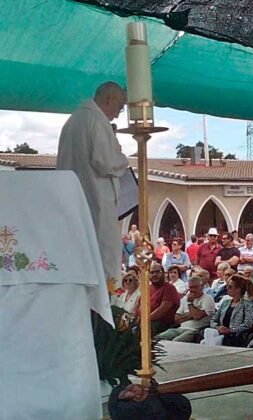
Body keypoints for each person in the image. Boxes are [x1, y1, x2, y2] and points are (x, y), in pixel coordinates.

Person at [56, 81, 129, 286]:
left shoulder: (74, 120)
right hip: (96, 198)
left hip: (75, 198)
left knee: (82, 253)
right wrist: (123, 159)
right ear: (109, 99)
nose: (117, 114)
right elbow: (104, 161)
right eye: (120, 107)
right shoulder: (96, 120)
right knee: (103, 254)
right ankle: (106, 306)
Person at [156, 275, 216, 342]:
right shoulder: (185, 299)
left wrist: (190, 303)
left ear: (201, 286)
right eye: (190, 287)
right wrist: (191, 314)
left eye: (195, 287)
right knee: (157, 338)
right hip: (180, 328)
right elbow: (176, 319)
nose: (192, 290)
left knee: (175, 342)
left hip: (195, 330)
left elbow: (197, 316)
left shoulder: (208, 299)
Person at [203, 275, 253, 347]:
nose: (227, 289)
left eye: (230, 287)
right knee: (208, 331)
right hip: (220, 332)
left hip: (233, 336)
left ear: (238, 289)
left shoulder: (246, 304)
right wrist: (218, 327)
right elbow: (213, 319)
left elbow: (248, 324)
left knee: (205, 342)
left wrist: (230, 330)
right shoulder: (225, 303)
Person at [135, 263, 180, 335]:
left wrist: (144, 320)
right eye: (152, 272)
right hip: (143, 321)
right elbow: (138, 305)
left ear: (164, 273)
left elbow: (162, 310)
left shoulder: (169, 288)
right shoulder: (147, 288)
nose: (154, 275)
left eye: (157, 272)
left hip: (160, 325)